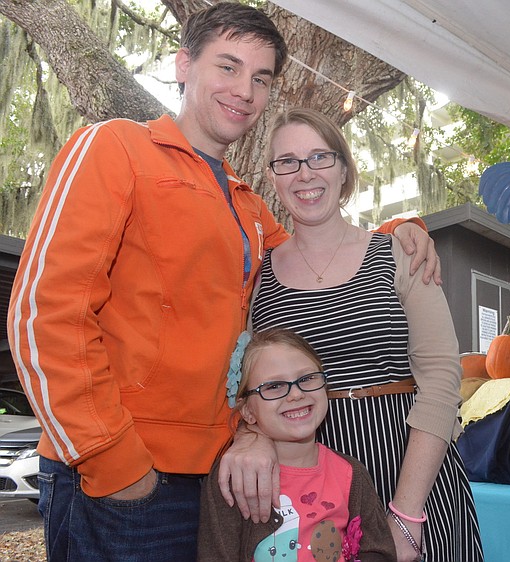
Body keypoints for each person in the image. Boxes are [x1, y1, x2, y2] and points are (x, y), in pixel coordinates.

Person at [6, 4, 437, 561]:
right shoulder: (115, 148)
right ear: (183, 64)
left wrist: (401, 230)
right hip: (123, 477)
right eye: (228, 67)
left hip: (224, 481)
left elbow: (322, 256)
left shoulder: (251, 206)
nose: (245, 90)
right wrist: (111, 459)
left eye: (261, 78)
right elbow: (44, 313)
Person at [243, 107, 483, 562]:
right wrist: (249, 437)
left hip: (413, 468)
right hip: (310, 487)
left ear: (344, 169)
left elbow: (441, 379)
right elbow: (248, 387)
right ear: (272, 177)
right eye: (287, 162)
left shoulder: (399, 253)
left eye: (319, 157)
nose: (304, 173)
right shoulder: (262, 281)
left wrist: (408, 513)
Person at [198, 328, 395, 562]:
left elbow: (379, 550)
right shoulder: (235, 477)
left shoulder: (351, 473)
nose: (295, 394)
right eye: (273, 386)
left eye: (307, 378)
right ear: (248, 411)